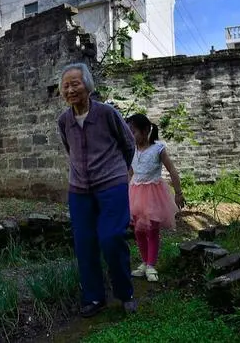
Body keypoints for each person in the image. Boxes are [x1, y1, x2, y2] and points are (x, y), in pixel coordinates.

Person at [57, 62, 138, 318]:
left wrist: (119, 172)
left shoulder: (106, 113)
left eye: (75, 83)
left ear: (88, 86)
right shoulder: (64, 121)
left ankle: (125, 293)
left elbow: (128, 144)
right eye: (66, 85)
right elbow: (70, 150)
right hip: (79, 190)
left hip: (112, 184)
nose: (70, 90)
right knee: (84, 244)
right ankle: (94, 298)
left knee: (111, 238)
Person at [126, 113, 186, 282]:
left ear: (145, 130)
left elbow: (172, 170)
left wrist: (178, 193)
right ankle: (144, 262)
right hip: (135, 194)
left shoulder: (157, 149)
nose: (131, 136)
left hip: (154, 195)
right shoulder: (132, 150)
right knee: (138, 230)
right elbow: (130, 173)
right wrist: (127, 192)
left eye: (133, 132)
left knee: (152, 230)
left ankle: (151, 264)